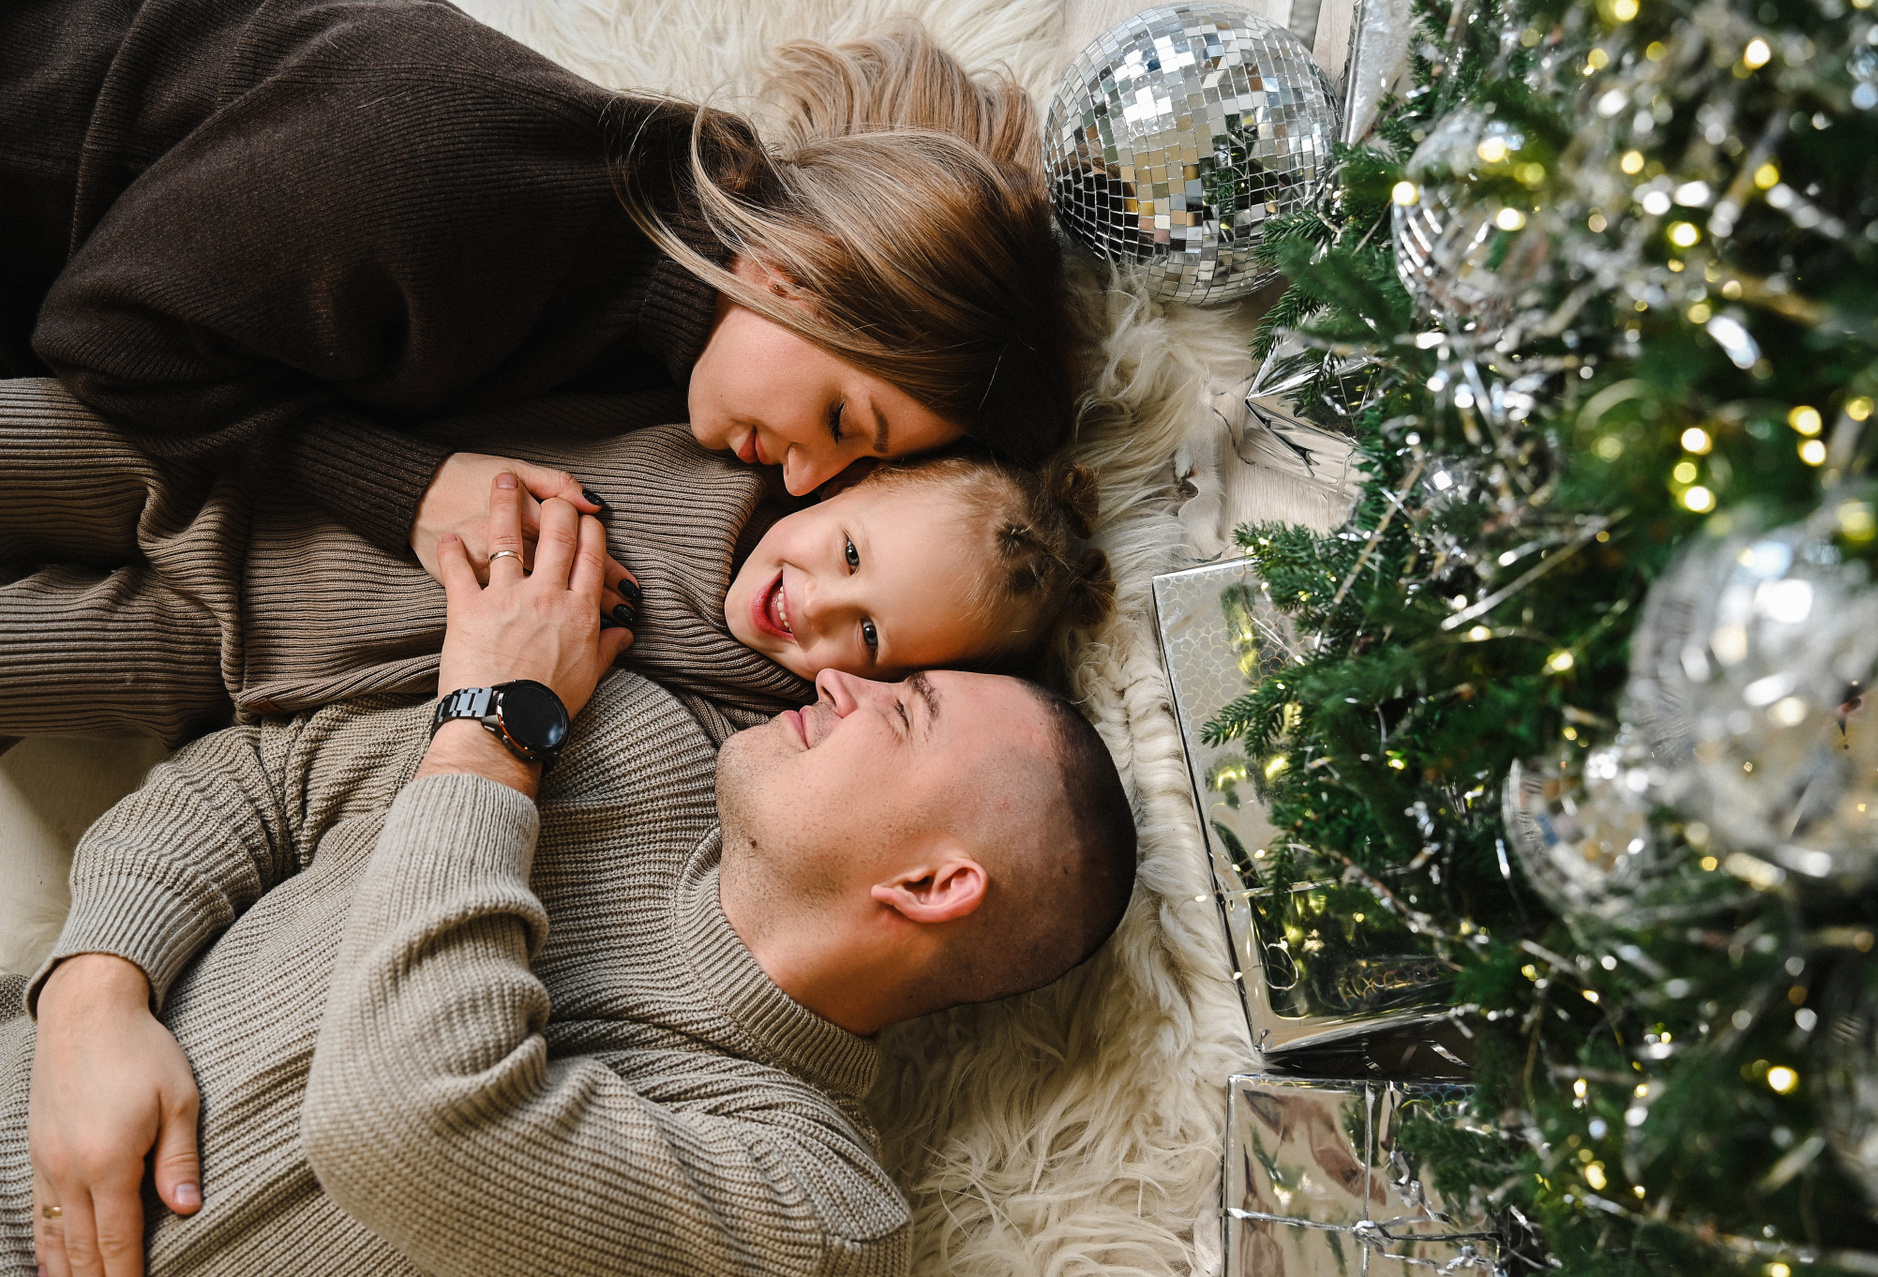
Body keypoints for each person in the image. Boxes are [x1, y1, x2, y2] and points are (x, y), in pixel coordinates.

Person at [3, 481, 1138, 1277]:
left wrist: (493, 723)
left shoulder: (821, 1210)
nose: (842, 682)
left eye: (904, 707)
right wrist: (95, 988)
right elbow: (259, 779)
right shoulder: (622, 730)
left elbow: (399, 1126)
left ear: (934, 885)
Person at [1, 2, 1074, 588]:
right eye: (842, 421)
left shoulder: (669, 326)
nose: (805, 477)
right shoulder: (442, 172)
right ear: (798, 265)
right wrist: (409, 491)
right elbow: (104, 333)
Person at [0, 380, 1113, 745]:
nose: (817, 603)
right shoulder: (716, 434)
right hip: (242, 470)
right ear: (845, 483)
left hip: (225, 658)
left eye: (867, 632)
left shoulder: (744, 711)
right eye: (851, 551)